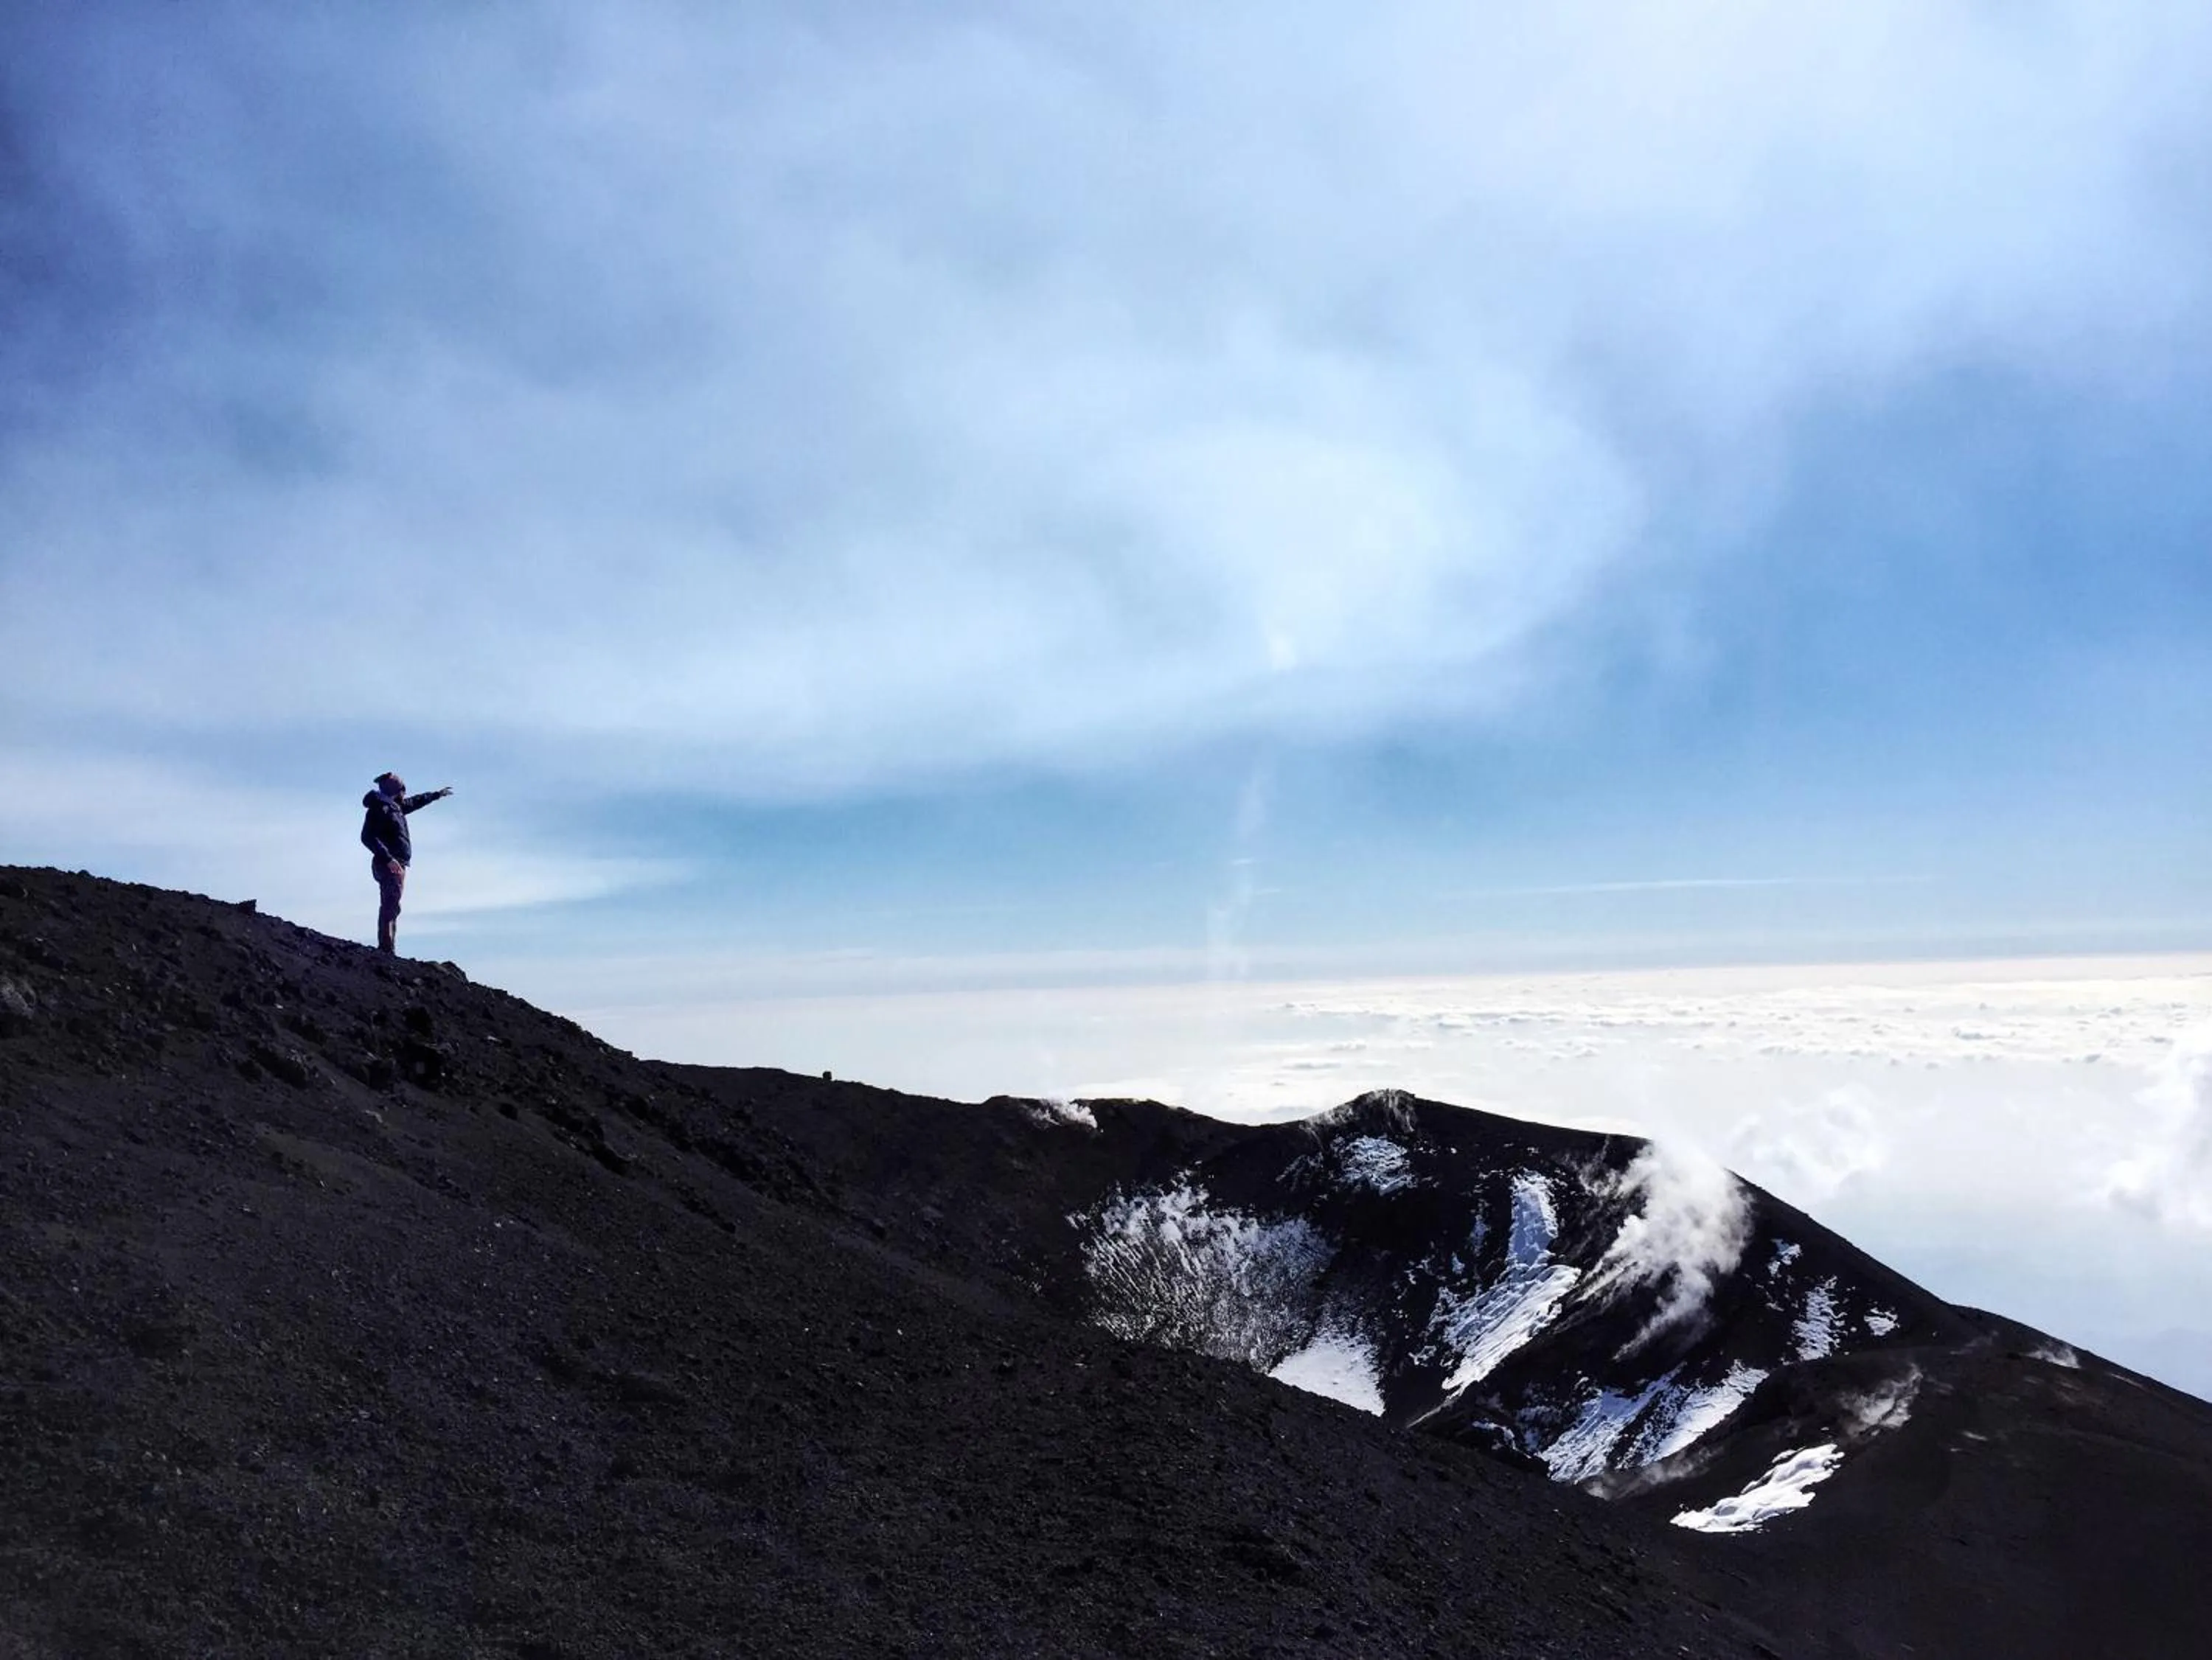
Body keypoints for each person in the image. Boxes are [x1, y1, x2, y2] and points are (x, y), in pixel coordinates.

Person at [360, 773, 453, 955]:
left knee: (393, 903)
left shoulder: (395, 807)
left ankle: (388, 948)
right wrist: (389, 859)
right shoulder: (380, 808)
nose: (405, 794)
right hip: (389, 863)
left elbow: (415, 802)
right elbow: (367, 836)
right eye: (402, 790)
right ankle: (387, 950)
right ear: (396, 790)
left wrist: (436, 795)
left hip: (397, 862)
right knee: (391, 903)